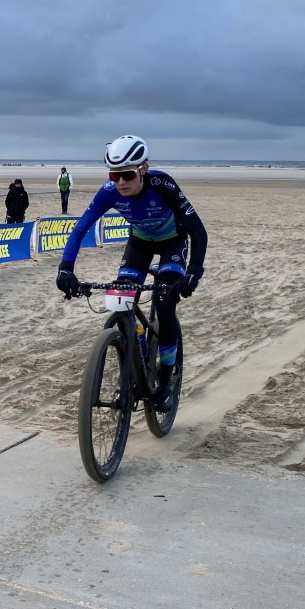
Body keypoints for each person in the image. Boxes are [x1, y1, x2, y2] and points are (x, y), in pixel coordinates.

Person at [55, 135, 207, 412]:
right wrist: (65, 268)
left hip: (173, 242)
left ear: (144, 169)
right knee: (118, 300)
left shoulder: (163, 185)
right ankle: (138, 353)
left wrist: (193, 273)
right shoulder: (109, 191)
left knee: (164, 301)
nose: (120, 182)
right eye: (114, 175)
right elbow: (79, 229)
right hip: (139, 244)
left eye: (126, 175)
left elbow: (197, 229)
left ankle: (165, 378)